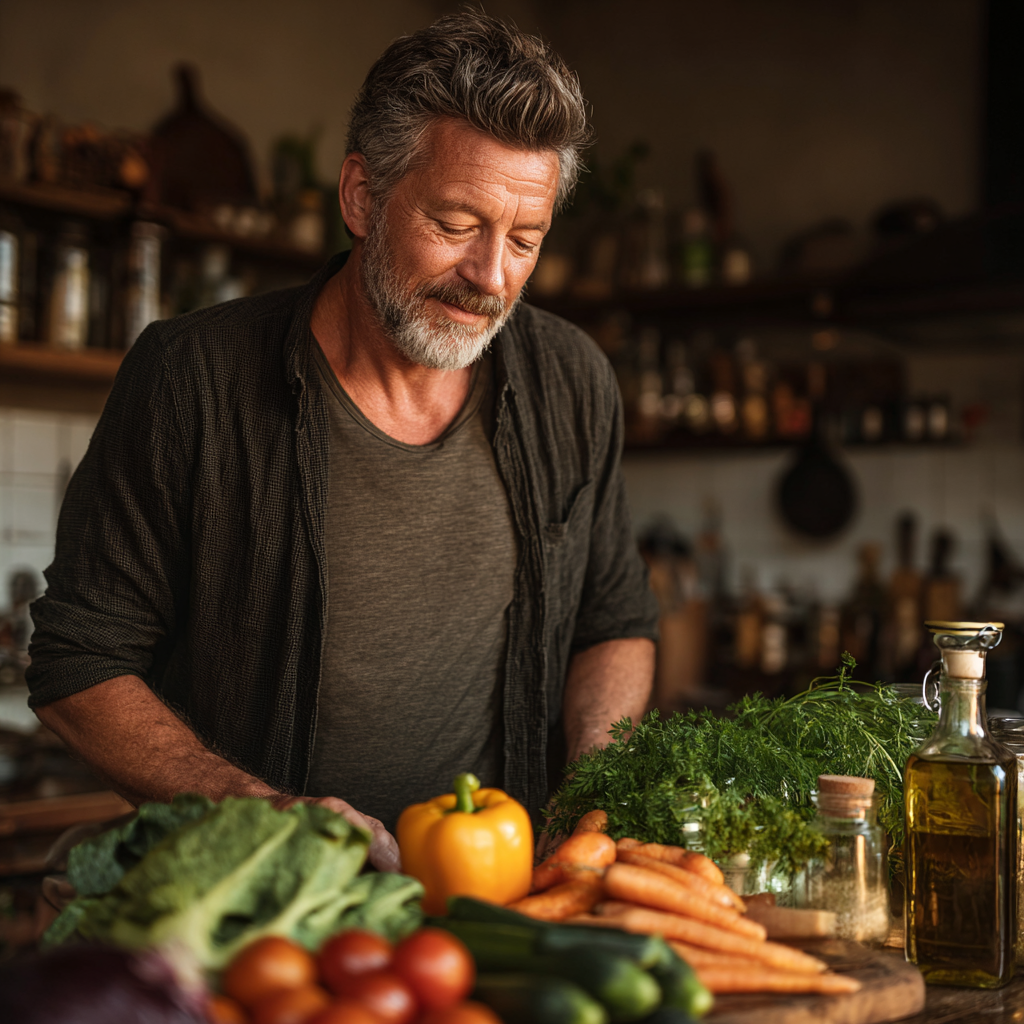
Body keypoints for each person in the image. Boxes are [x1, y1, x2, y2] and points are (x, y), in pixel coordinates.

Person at [26, 11, 658, 871]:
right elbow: (77, 662)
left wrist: (593, 797)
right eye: (456, 224)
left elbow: (614, 619)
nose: (490, 278)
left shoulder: (572, 380)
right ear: (362, 195)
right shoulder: (191, 378)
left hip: (501, 915)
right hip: (257, 913)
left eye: (524, 240)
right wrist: (263, 813)